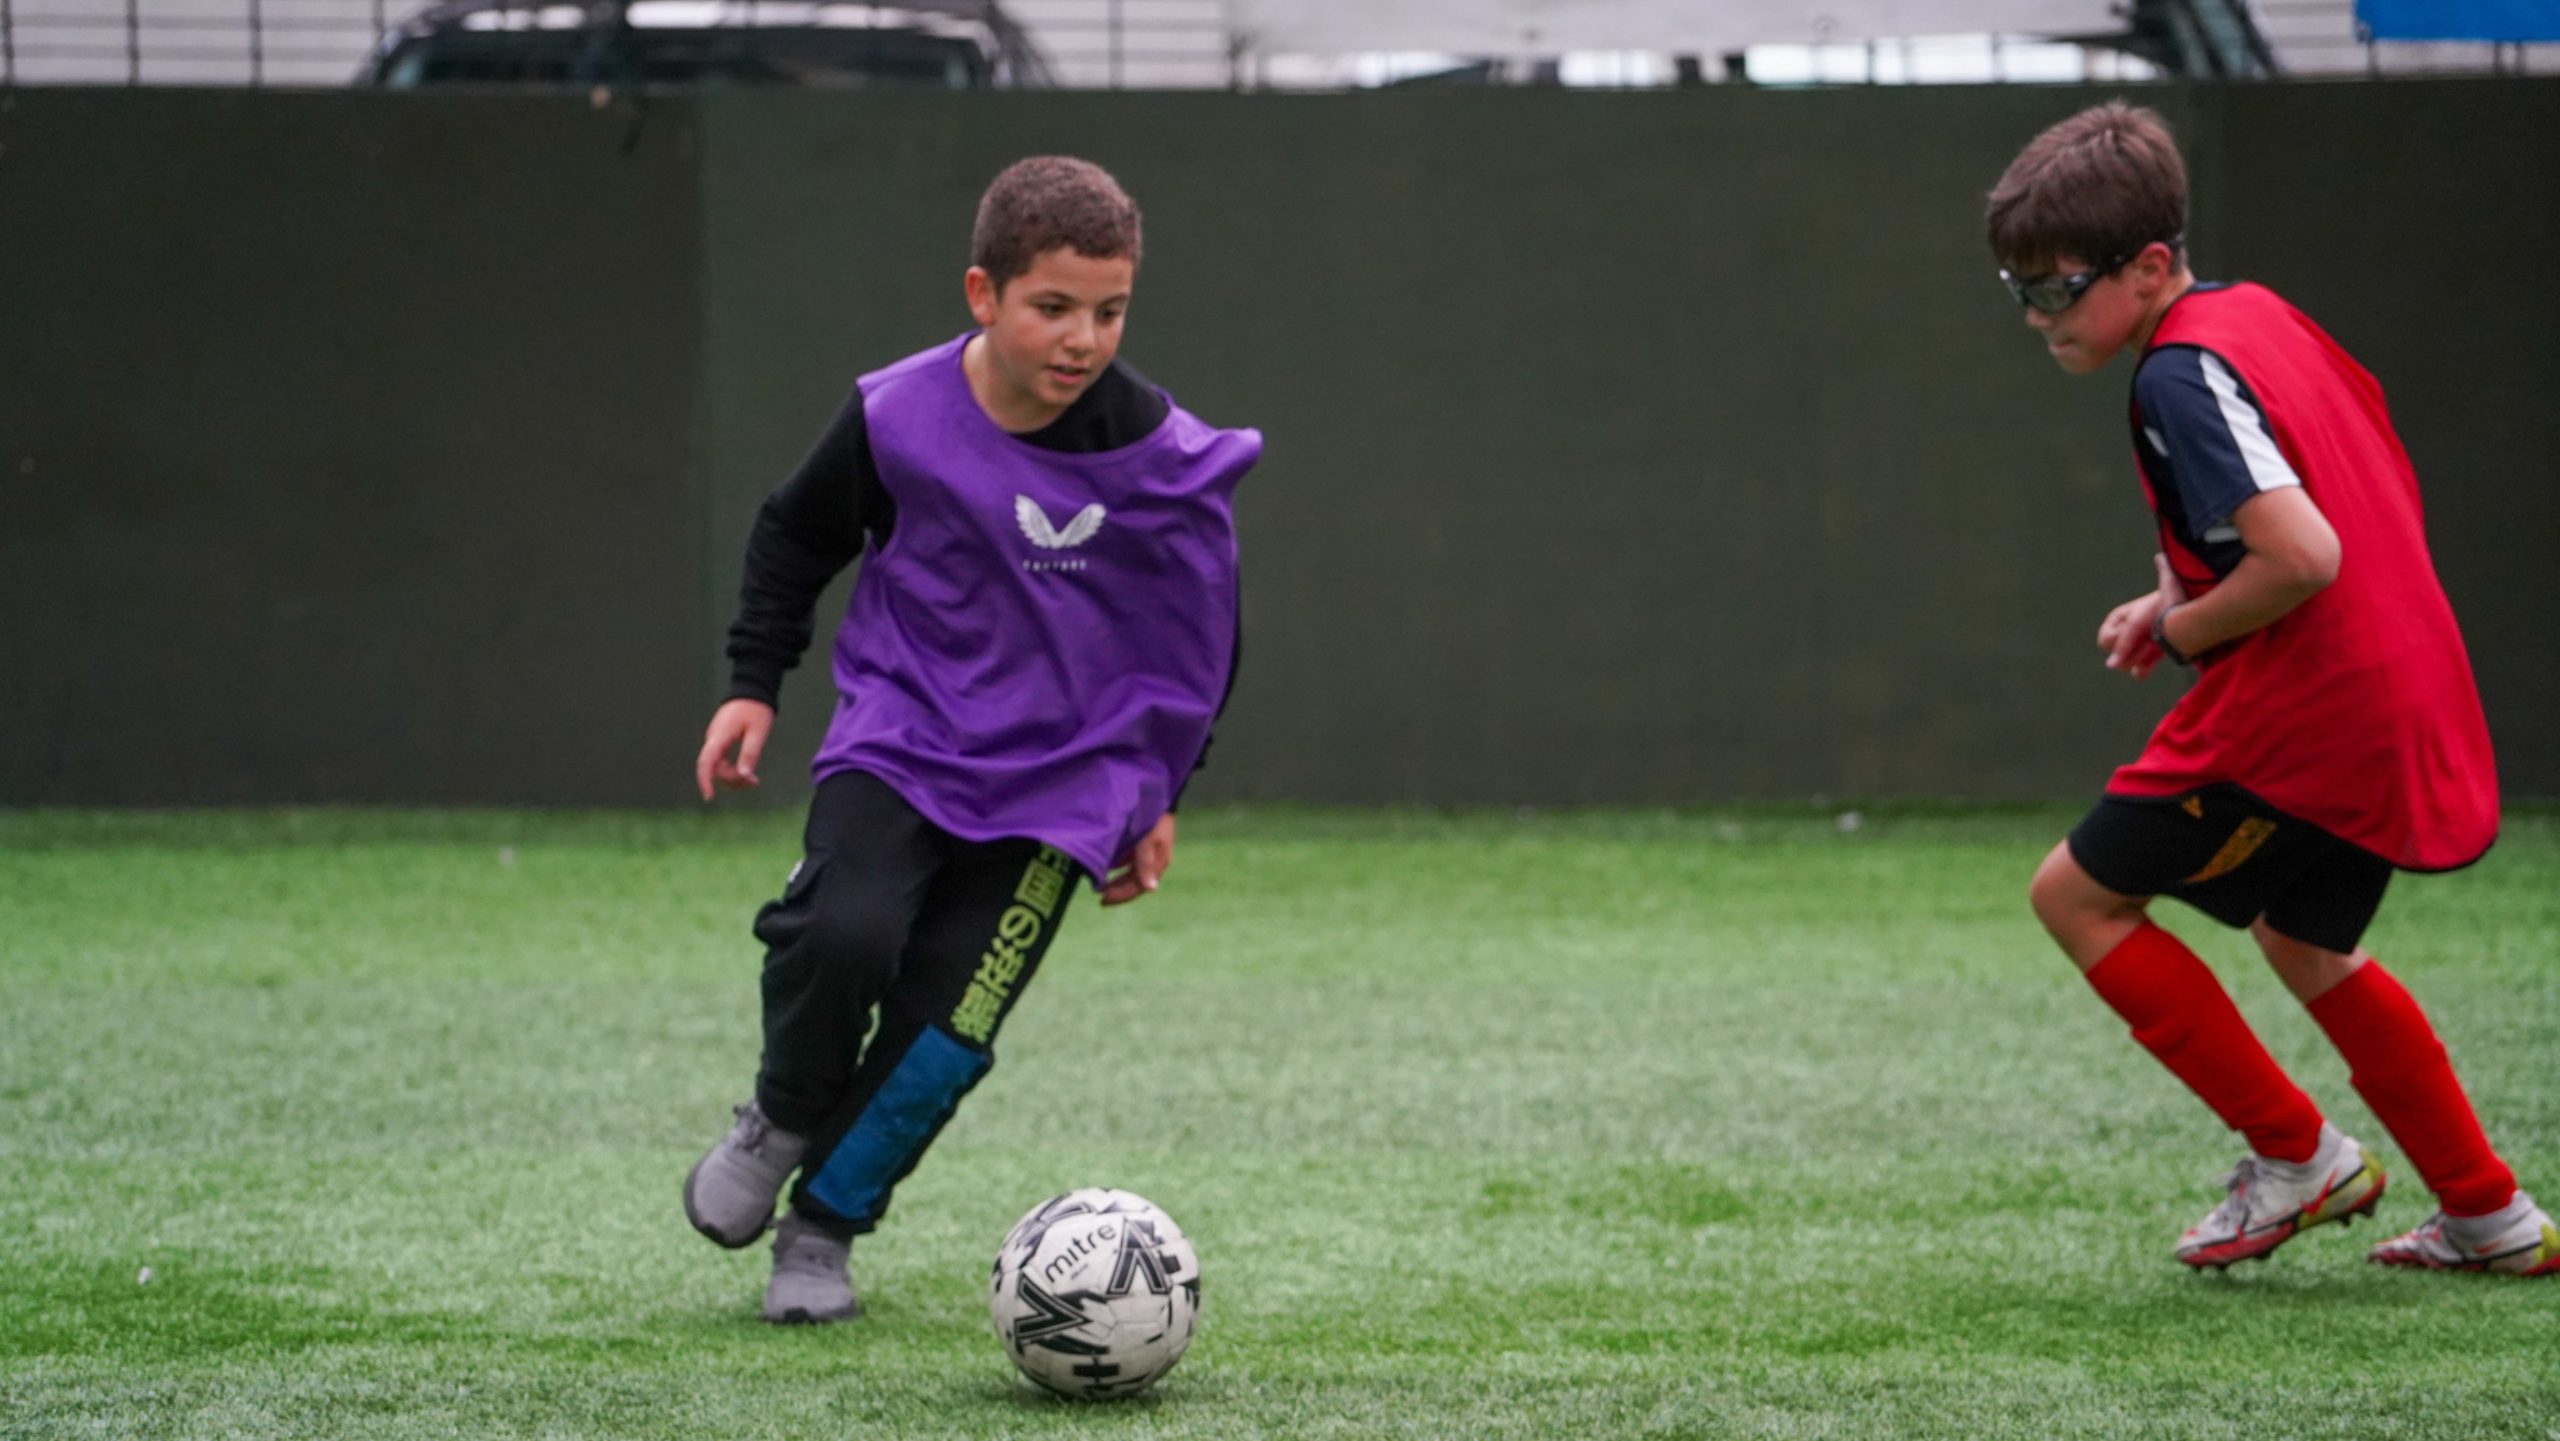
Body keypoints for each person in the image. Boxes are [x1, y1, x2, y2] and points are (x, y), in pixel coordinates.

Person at [680, 155, 1259, 1322]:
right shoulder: (895, 416)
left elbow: (1201, 629)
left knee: (945, 1031)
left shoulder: (1156, 449)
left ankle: (823, 1232)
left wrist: (1159, 791)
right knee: (839, 931)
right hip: (903, 739)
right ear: (982, 294)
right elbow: (794, 536)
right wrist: (754, 683)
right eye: (1054, 306)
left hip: (1064, 789)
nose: (1084, 338)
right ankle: (784, 1106)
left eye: (1110, 310)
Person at [1987, 102, 2553, 1277]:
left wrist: (2186, 624)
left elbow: (2300, 555)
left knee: (2074, 898)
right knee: (2305, 939)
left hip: (2310, 702)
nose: (2037, 315)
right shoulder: (2252, 315)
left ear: (2147, 266)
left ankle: (2297, 1159)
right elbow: (2305, 480)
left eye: (2054, 288)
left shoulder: (2174, 375)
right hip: (2395, 679)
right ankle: (2490, 1215)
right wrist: (2171, 586)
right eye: (2020, 288)